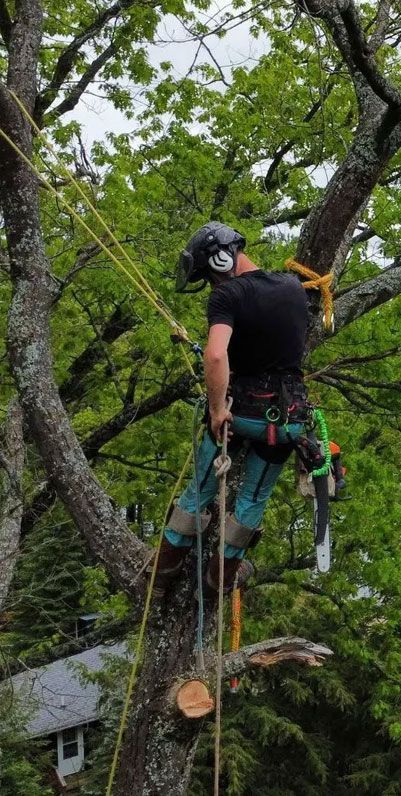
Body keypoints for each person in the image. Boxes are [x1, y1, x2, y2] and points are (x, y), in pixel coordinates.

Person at [147, 221, 312, 596]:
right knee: (253, 498)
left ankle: (163, 570)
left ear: (222, 259)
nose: (212, 284)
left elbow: (217, 354)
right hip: (287, 418)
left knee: (201, 487)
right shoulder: (294, 286)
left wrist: (218, 409)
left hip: (242, 412)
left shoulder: (228, 296)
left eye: (209, 276)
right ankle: (220, 577)